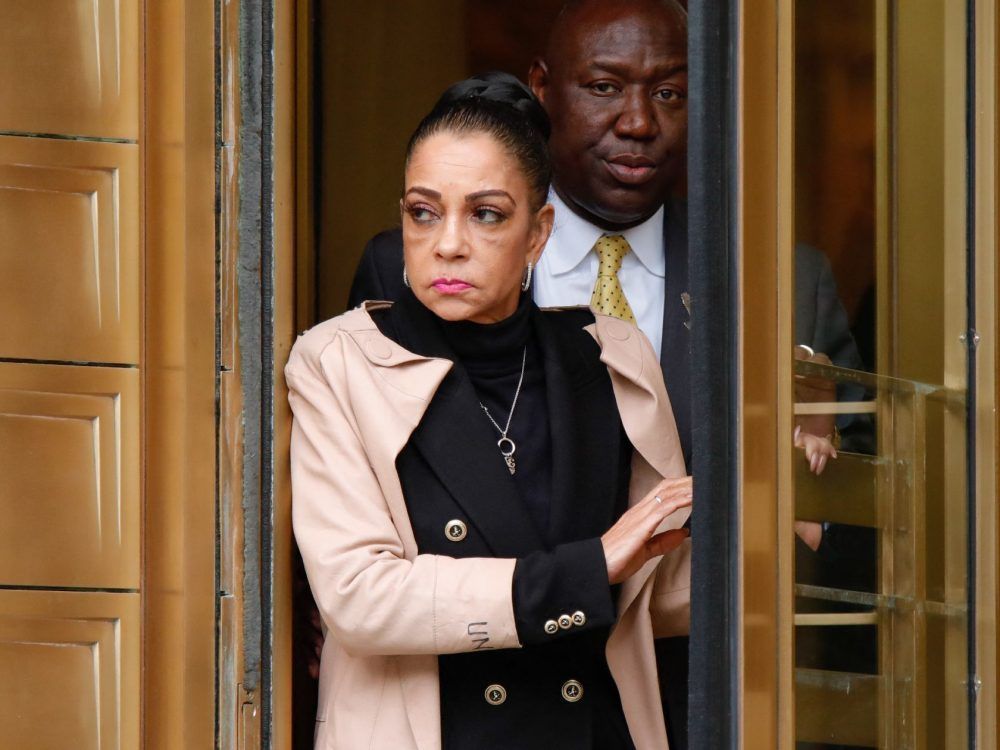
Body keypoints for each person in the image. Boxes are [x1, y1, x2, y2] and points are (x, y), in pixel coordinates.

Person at [288, 74, 693, 750]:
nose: (448, 244)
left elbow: (670, 595)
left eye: (486, 214)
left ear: (538, 233)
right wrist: (584, 571)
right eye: (424, 212)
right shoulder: (338, 364)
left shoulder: (611, 359)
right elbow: (359, 598)